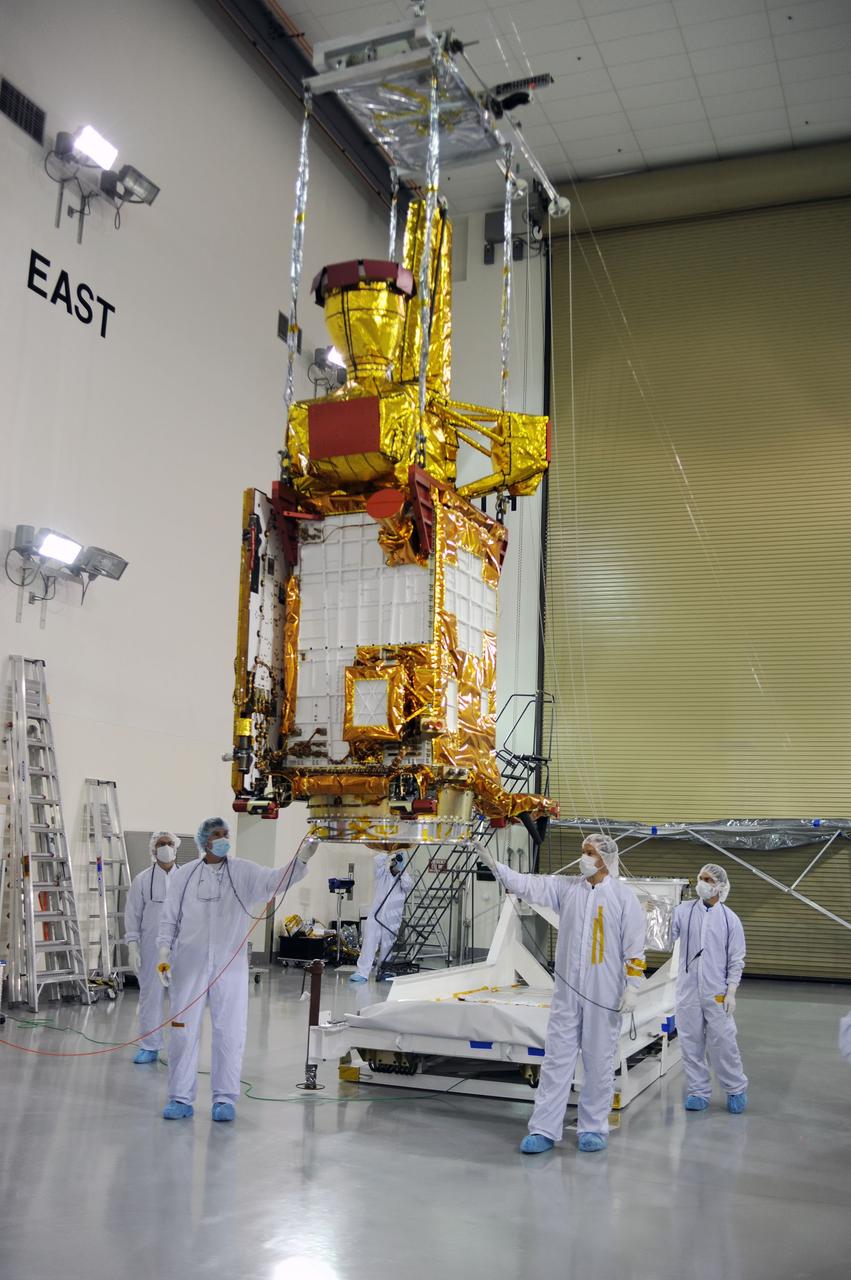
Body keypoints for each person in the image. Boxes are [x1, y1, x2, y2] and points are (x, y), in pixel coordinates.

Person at [478, 832, 646, 1154]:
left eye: (588, 852)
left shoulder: (624, 900)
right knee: (556, 1061)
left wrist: (633, 988)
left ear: (605, 859)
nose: (582, 857)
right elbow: (527, 884)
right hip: (568, 994)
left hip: (604, 996)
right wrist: (496, 866)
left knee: (598, 1062)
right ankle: (544, 1129)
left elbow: (635, 951)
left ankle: (593, 1127)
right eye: (582, 851)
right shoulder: (566, 889)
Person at [156, 817, 318, 1122]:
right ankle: (180, 1097)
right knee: (182, 1032)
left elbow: (275, 881)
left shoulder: (242, 871)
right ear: (204, 841)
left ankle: (224, 1098)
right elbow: (169, 918)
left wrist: (302, 859)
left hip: (229, 967)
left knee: (229, 1031)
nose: (222, 838)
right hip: (189, 965)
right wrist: (164, 952)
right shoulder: (185, 876)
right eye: (216, 835)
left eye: (225, 834)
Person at [671, 862, 748, 1114]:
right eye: (700, 877)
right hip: (688, 991)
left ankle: (735, 1088)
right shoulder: (683, 911)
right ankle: (698, 1091)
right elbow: (664, 936)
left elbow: (736, 959)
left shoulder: (730, 919)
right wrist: (653, 913)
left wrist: (732, 991)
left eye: (707, 879)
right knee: (690, 1042)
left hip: (717, 993)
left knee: (724, 1043)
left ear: (719, 886)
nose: (701, 883)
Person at [124, 831, 180, 1064]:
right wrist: (133, 946)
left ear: (176, 847)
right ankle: (150, 1045)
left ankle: (181, 1046)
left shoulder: (187, 877)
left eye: (169, 843)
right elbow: (132, 915)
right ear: (152, 849)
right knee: (150, 996)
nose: (165, 847)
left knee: (183, 997)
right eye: (160, 844)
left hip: (181, 944)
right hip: (151, 946)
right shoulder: (142, 880)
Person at [350, 849, 413, 983]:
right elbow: (377, 861)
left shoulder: (403, 878)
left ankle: (384, 970)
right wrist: (390, 851)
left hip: (392, 918)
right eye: (394, 862)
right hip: (375, 915)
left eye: (398, 863)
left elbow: (408, 886)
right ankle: (362, 972)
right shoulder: (381, 874)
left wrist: (401, 870)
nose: (395, 865)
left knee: (387, 945)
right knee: (369, 942)